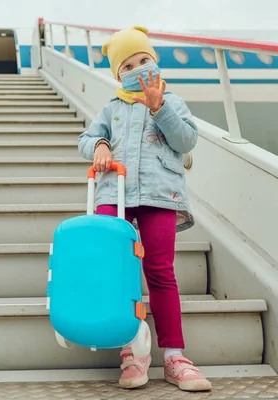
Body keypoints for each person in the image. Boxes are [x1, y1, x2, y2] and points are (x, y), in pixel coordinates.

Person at [77, 26, 212, 392]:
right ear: (118, 74)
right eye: (127, 66)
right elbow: (85, 140)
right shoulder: (111, 108)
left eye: (144, 60)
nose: (136, 69)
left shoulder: (173, 102)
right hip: (114, 194)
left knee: (159, 270)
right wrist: (101, 145)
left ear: (155, 62)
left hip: (159, 195)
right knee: (116, 268)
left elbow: (186, 140)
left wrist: (159, 107)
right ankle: (131, 351)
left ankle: (174, 356)